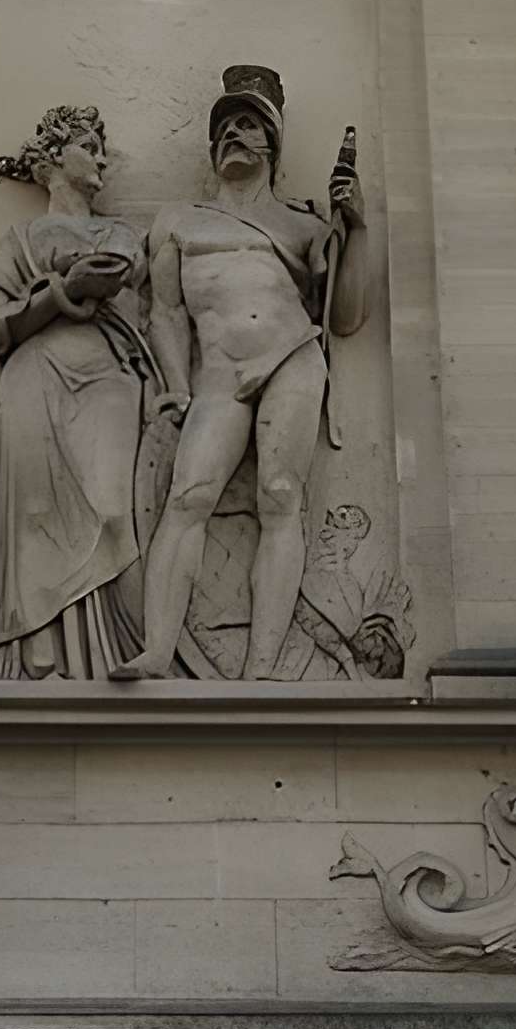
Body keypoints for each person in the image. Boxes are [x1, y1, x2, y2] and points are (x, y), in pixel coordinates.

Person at [110, 65, 368, 681]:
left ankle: (261, 667)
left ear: (270, 145)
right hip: (219, 376)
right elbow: (166, 313)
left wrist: (357, 226)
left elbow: (350, 314)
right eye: (224, 126)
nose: (233, 134)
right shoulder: (178, 220)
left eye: (247, 124)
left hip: (291, 358)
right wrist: (174, 385)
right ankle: (156, 648)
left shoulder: (304, 225)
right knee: (188, 495)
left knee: (281, 498)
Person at [0, 107, 153, 679]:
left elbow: (151, 311)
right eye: (88, 145)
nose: (100, 157)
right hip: (35, 373)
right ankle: (39, 641)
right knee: (35, 513)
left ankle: (123, 650)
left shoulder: (122, 235)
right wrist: (57, 292)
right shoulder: (18, 242)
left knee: (111, 510)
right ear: (53, 158)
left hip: (107, 376)